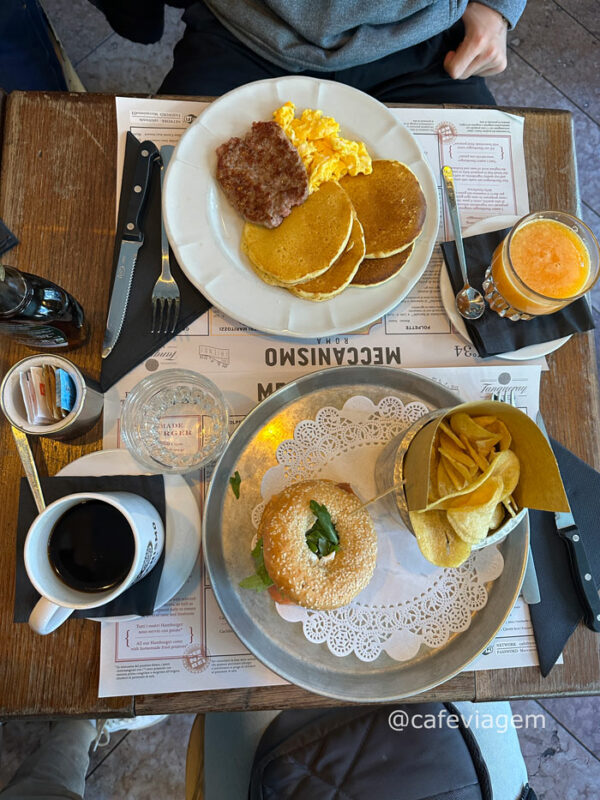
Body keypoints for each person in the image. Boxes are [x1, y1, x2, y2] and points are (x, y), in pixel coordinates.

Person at [91, 0, 526, 104]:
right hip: (243, 26)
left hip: (420, 39)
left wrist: (497, 6)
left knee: (477, 251)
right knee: (158, 233)